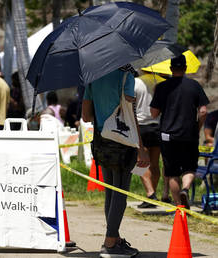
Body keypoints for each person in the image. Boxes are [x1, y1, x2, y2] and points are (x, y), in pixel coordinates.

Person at [82, 66, 149, 257]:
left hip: (101, 141)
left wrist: (103, 115)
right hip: (122, 142)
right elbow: (129, 115)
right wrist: (140, 148)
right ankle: (110, 242)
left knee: (110, 192)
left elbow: (85, 116)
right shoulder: (126, 77)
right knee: (120, 193)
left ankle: (115, 238)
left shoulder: (93, 77)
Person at [150, 54, 209, 210]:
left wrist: (159, 97)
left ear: (171, 69)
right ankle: (185, 189)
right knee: (189, 168)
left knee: (172, 172)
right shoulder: (195, 86)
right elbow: (203, 111)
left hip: (168, 135)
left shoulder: (162, 87)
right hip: (189, 134)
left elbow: (154, 114)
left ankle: (179, 209)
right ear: (185, 68)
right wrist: (197, 127)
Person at [134, 71, 171, 208]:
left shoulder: (136, 82)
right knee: (155, 163)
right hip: (158, 125)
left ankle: (150, 194)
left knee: (139, 162)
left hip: (140, 126)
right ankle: (152, 194)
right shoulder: (162, 82)